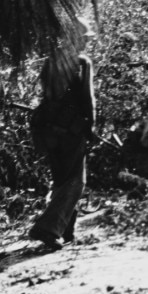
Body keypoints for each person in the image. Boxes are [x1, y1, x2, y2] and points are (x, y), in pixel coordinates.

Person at [28, 18, 97, 250]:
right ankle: (47, 229)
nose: (86, 44)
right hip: (70, 129)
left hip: (47, 128)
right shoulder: (82, 62)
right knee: (76, 181)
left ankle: (66, 231)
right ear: (76, 37)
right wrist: (92, 126)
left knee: (61, 179)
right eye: (84, 39)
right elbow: (88, 99)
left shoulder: (51, 60)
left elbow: (46, 94)